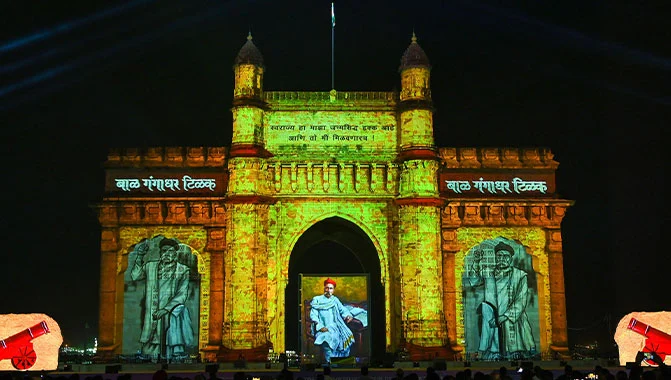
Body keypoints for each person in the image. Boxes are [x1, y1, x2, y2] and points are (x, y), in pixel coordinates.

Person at [131, 238, 195, 359]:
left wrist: (165, 310)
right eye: (164, 250)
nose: (167, 254)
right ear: (160, 252)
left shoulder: (182, 270)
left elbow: (182, 294)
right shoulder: (151, 266)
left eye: (170, 251)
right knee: (151, 343)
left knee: (169, 342)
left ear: (175, 254)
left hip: (170, 312)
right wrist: (139, 256)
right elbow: (135, 276)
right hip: (152, 310)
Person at [470, 241, 536, 360]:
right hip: (493, 314)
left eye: (505, 256)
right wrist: (476, 262)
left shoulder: (520, 275)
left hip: (511, 316)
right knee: (493, 341)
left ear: (510, 258)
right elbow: (473, 282)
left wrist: (504, 316)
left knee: (513, 348)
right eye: (499, 256)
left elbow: (521, 300)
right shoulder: (489, 272)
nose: (502, 259)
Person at [310, 278, 355, 364]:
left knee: (345, 338)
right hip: (323, 327)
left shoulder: (335, 300)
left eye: (330, 288)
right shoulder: (317, 299)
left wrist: (348, 315)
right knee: (327, 338)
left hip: (336, 327)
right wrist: (320, 326)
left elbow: (343, 310)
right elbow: (313, 315)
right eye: (327, 288)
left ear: (333, 290)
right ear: (324, 288)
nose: (328, 290)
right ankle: (330, 363)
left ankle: (340, 363)